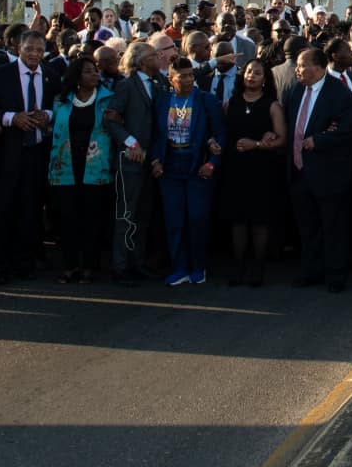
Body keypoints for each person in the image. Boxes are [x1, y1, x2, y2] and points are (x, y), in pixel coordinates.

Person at [0, 30, 61, 283]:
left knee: (31, 209)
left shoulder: (50, 76)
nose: (35, 55)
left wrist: (46, 115)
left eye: (40, 50)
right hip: (7, 152)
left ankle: (24, 262)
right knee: (3, 209)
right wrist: (12, 118)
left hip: (37, 152)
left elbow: (58, 105)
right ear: (18, 49)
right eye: (30, 50)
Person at [285, 47, 352, 292]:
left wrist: (319, 140)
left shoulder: (338, 93)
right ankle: (311, 270)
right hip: (300, 171)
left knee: (333, 225)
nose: (297, 70)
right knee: (307, 226)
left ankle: (336, 275)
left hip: (329, 172)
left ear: (319, 67)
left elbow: (350, 128)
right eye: (297, 65)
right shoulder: (297, 90)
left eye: (302, 65)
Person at [152, 56, 226, 286]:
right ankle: (180, 267)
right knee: (174, 220)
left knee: (197, 218)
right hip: (171, 167)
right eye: (182, 76)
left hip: (197, 167)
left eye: (190, 75)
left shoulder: (206, 100)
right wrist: (155, 160)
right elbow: (156, 134)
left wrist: (212, 162)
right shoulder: (163, 101)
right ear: (170, 78)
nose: (187, 80)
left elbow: (220, 134)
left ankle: (198, 266)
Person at [103, 40, 169, 286]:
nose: (159, 58)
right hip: (131, 159)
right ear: (141, 61)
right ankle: (120, 267)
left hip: (153, 160)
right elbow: (110, 120)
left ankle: (137, 263)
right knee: (126, 214)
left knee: (143, 214)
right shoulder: (126, 86)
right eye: (154, 55)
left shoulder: (160, 83)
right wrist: (131, 143)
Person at [47, 54, 113, 284]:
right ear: (76, 77)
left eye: (95, 70)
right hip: (66, 164)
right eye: (88, 71)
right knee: (67, 217)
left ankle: (90, 266)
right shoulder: (62, 100)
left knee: (92, 217)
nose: (94, 74)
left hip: (95, 166)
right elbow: (51, 125)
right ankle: (70, 265)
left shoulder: (107, 99)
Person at [220, 58, 286, 287]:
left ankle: (258, 267)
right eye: (248, 72)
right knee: (238, 220)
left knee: (259, 220)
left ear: (265, 79)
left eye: (257, 73)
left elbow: (281, 139)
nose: (251, 76)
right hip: (235, 168)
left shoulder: (272, 105)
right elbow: (223, 133)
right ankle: (238, 266)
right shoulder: (231, 103)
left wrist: (257, 144)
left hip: (261, 169)